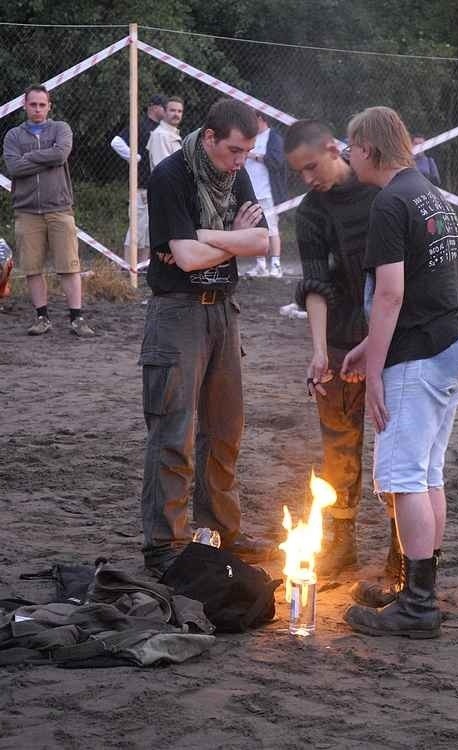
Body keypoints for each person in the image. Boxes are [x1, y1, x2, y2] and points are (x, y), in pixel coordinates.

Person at [341, 106, 458, 638]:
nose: (348, 155)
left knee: (402, 478)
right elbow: (424, 285)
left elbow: (393, 293)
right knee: (426, 472)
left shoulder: (389, 202)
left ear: (369, 150)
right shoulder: (427, 192)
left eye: (351, 147)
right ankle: (417, 588)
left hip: (423, 351)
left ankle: (418, 607)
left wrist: (375, 372)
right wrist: (367, 346)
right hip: (455, 341)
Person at [140, 98, 273, 577]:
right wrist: (226, 239)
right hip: (177, 313)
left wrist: (203, 237)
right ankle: (165, 544)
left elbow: (262, 242)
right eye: (234, 150)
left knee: (225, 428)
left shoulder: (236, 175)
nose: (241, 162)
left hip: (224, 311)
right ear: (211, 137)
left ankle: (220, 531)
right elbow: (186, 260)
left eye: (247, 153)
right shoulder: (170, 176)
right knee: (173, 429)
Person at [283, 120, 398, 577]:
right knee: (338, 444)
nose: (309, 179)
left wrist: (378, 346)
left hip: (392, 341)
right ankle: (341, 541)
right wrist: (319, 351)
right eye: (299, 173)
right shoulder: (311, 212)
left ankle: (401, 551)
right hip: (338, 339)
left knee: (395, 446)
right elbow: (316, 284)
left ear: (335, 148)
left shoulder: (381, 194)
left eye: (312, 167)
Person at [3, 85, 94, 337]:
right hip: (27, 210)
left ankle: (77, 318)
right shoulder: (12, 135)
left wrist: (30, 158)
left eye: (42, 105)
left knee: (69, 266)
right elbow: (14, 167)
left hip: (60, 208)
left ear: (49, 106)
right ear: (25, 106)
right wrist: (47, 156)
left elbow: (61, 154)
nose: (37, 109)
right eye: (33, 104)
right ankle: (41, 317)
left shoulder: (61, 129)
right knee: (32, 268)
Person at [110, 94, 167, 262]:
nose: (166, 111)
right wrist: (134, 157)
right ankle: (129, 265)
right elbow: (116, 142)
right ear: (154, 107)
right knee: (137, 228)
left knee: (150, 230)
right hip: (141, 186)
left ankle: (142, 266)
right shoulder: (140, 125)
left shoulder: (163, 130)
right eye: (164, 107)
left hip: (158, 187)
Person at [245, 111, 288, 278]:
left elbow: (277, 161)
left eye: (252, 119)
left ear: (261, 119)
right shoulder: (250, 137)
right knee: (257, 229)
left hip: (268, 192)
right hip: (252, 191)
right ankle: (261, 265)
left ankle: (275, 265)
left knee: (272, 228)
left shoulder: (273, 137)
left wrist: (254, 156)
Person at [147, 96, 184, 170]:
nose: (176, 114)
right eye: (172, 110)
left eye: (179, 111)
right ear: (164, 112)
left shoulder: (172, 134)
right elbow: (163, 169)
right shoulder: (160, 135)